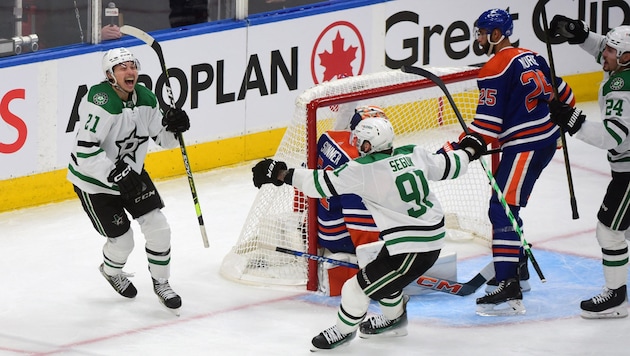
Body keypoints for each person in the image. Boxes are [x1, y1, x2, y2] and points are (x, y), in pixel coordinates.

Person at [252, 116, 487, 350]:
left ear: (368, 145)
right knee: (382, 277)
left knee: (354, 289)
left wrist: (281, 174)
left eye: (359, 141)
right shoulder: (413, 152)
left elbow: (320, 183)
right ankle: (394, 320)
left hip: (414, 247)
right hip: (420, 237)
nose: (355, 145)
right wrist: (469, 149)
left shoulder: (363, 169)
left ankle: (343, 332)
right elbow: (447, 165)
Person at [66, 47, 190, 315]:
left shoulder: (146, 97)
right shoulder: (100, 101)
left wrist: (175, 126)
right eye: (122, 67)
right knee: (123, 242)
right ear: (110, 75)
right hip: (95, 182)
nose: (130, 71)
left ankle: (162, 283)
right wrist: (114, 172)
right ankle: (111, 271)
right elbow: (84, 151)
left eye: (132, 66)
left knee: (159, 227)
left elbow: (163, 139)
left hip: (131, 176)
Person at [469, 8, 576, 316]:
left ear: (496, 34)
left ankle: (508, 287)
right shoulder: (533, 55)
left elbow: (487, 126)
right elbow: (566, 96)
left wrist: (464, 145)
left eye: (481, 32)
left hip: (525, 146)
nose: (478, 38)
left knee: (501, 208)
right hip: (544, 141)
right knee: (507, 206)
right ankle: (521, 273)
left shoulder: (495, 66)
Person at [548, 18, 630, 319]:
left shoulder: (622, 87)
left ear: (625, 58)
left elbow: (614, 137)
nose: (604, 54)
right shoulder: (624, 67)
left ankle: (616, 296)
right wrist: (582, 35)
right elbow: (606, 53)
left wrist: (574, 121)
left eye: (611, 51)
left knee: (609, 232)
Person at [314, 106, 383, 296]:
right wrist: (373, 262)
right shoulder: (358, 166)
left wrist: (303, 220)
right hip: (339, 238)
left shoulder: (327, 138)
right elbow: (360, 222)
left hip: (320, 226)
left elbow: (305, 178)